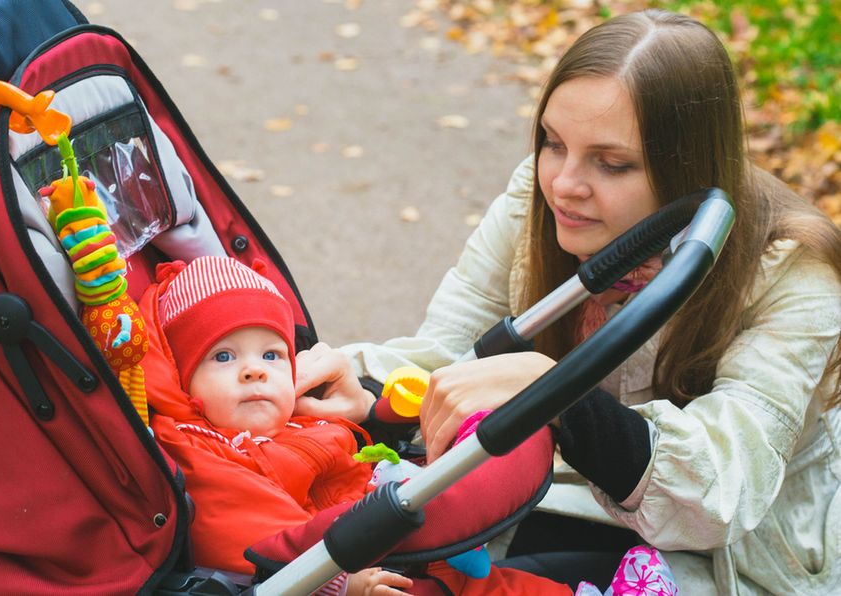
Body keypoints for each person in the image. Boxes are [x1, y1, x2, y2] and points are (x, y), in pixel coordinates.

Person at [294, 9, 841, 595]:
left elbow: (718, 493)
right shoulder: (536, 195)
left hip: (734, 557)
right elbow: (451, 358)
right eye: (554, 143)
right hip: (564, 499)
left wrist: (553, 392)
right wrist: (367, 389)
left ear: (690, 171)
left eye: (612, 163)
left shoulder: (792, 269)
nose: (564, 184)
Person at [139, 255, 572, 595]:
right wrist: (338, 581)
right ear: (183, 378)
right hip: (349, 564)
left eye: (271, 356)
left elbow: (355, 445)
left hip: (397, 543)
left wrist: (386, 414)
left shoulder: (295, 418)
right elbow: (247, 535)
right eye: (224, 356)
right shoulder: (200, 449)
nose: (254, 371)